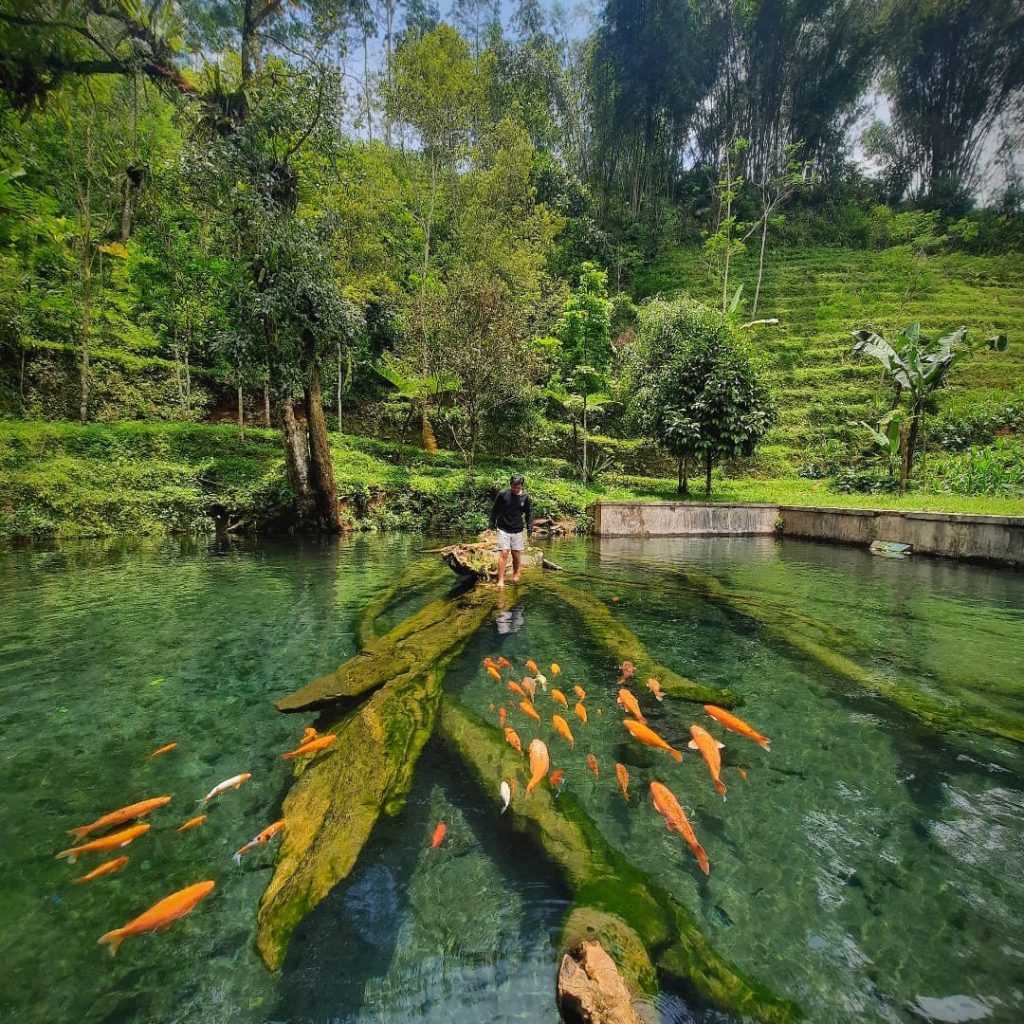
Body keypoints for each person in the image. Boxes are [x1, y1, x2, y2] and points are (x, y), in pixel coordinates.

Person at [489, 474, 534, 587]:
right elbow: (495, 510)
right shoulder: (503, 494)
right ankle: (500, 580)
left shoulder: (525, 498)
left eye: (518, 487)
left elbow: (529, 514)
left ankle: (516, 573)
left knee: (516, 554)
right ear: (510, 485)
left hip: (517, 529)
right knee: (504, 552)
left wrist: (529, 530)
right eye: (514, 487)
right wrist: (491, 526)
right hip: (503, 527)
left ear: (521, 487)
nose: (515, 489)